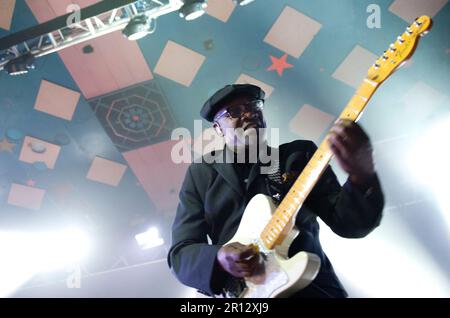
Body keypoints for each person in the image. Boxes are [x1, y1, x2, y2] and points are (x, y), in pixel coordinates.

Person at [167, 84, 384, 298]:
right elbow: (181, 253)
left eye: (254, 106)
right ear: (217, 128)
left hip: (311, 291)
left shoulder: (297, 156)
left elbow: (350, 225)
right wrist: (220, 258)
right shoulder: (201, 173)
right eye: (234, 112)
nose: (249, 113)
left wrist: (361, 176)